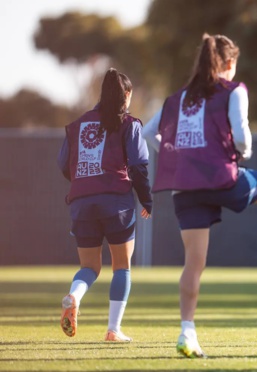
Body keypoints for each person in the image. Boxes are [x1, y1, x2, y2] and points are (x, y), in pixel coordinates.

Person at [142, 33, 257, 358]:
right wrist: (241, 151)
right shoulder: (233, 89)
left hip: (184, 187)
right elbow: (241, 135)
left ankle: (187, 332)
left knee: (193, 264)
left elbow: (147, 133)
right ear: (229, 64)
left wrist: (175, 156)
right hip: (221, 177)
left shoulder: (179, 97)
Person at [58, 68, 152, 342]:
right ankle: (113, 330)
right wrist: (146, 199)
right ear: (127, 94)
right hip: (116, 204)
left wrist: (87, 182)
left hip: (81, 202)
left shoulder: (77, 125)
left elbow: (65, 165)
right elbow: (138, 165)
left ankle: (74, 296)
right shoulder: (130, 123)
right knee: (121, 267)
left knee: (89, 267)